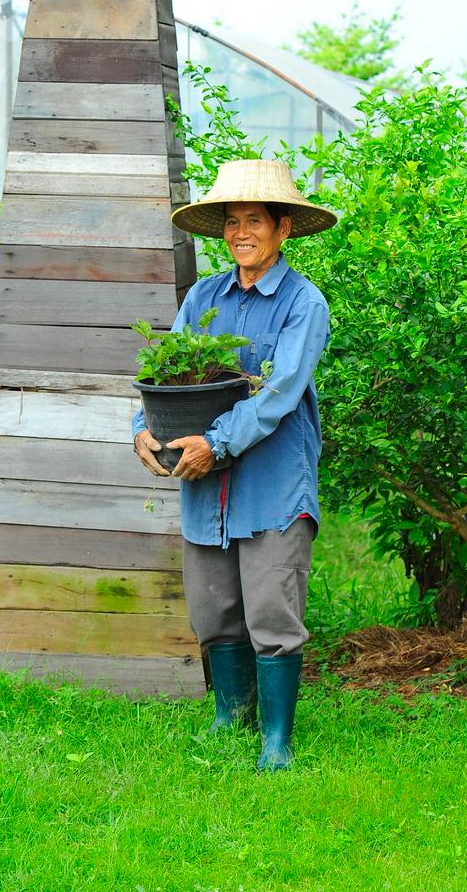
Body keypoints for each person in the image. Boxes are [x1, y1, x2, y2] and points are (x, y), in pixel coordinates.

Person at [132, 158, 336, 771]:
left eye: (254, 220)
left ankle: (276, 738)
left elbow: (280, 392)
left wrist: (214, 444)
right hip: (203, 482)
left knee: (272, 609)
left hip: (272, 480)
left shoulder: (304, 303)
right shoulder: (203, 297)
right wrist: (143, 428)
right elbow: (166, 373)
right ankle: (230, 716)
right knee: (213, 607)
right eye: (231, 221)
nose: (240, 232)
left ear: (283, 229)